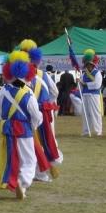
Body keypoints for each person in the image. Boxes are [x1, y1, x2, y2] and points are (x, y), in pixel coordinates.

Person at [0, 50, 43, 200]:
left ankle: (15, 183)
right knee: (29, 160)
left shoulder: (3, 90)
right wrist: (34, 125)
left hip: (7, 129)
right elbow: (36, 115)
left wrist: (0, 120)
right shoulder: (29, 93)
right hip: (24, 130)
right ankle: (22, 182)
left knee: (13, 158)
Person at [18, 39, 60, 182]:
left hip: (26, 115)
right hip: (42, 111)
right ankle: (40, 172)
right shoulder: (43, 75)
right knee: (43, 142)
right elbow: (55, 91)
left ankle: (31, 172)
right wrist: (47, 102)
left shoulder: (18, 75)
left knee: (29, 145)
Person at [78, 49, 103, 136]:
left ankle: (97, 130)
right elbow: (81, 84)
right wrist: (79, 82)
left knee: (95, 113)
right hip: (85, 95)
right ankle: (86, 130)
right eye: (87, 65)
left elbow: (97, 85)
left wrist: (85, 84)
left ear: (93, 65)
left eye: (90, 64)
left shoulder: (97, 73)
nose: (88, 66)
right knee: (86, 113)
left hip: (94, 95)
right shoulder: (84, 74)